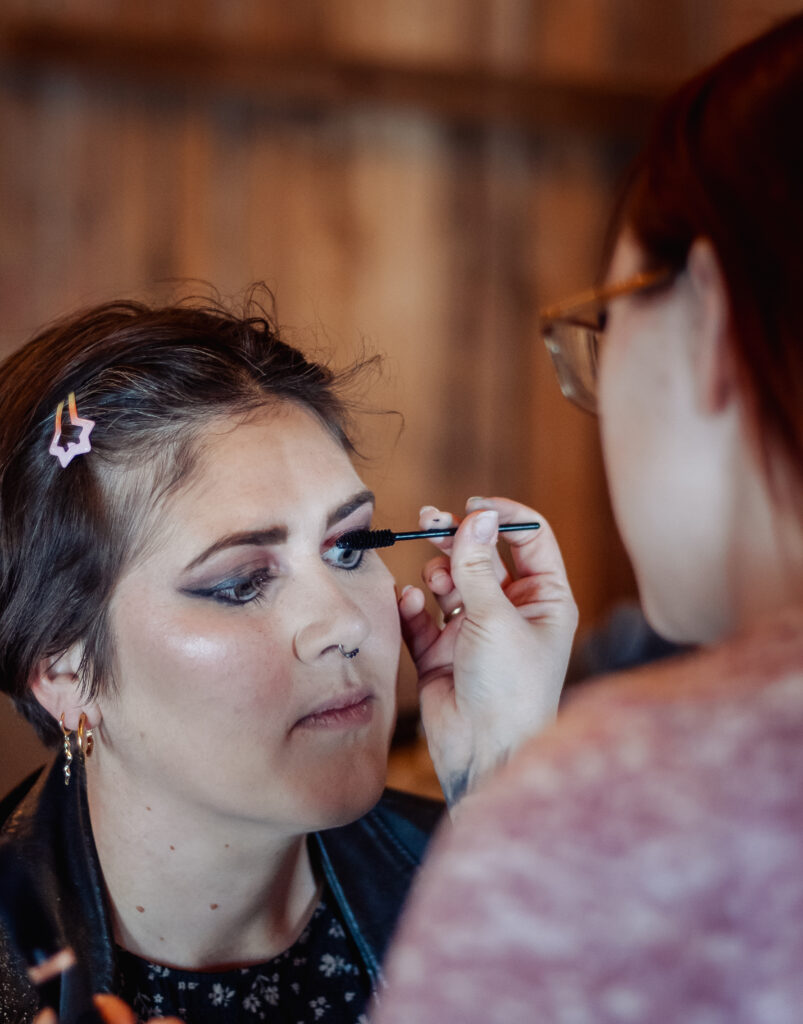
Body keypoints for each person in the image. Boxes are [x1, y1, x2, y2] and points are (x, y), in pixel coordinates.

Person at [375, 12, 803, 1024]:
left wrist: (540, 799)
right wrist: (517, 774)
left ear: (716, 326)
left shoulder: (627, 805)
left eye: (604, 326)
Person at [0, 295, 576, 1024]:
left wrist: (510, 781)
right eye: (240, 583)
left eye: (348, 546)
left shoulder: (489, 872)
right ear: (65, 674)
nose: (342, 624)